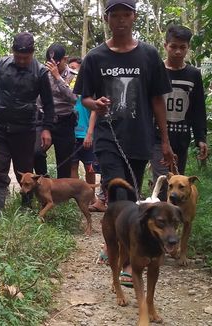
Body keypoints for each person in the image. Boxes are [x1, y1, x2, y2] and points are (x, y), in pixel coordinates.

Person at [74, 0, 174, 284]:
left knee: (130, 197)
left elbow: (157, 99)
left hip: (140, 136)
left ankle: (116, 246)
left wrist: (164, 140)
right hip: (108, 136)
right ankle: (127, 261)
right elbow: (85, 98)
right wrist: (97, 103)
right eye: (114, 15)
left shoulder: (149, 55)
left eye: (125, 14)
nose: (120, 20)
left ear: (134, 17)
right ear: (107, 18)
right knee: (119, 194)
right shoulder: (95, 57)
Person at [0, 32, 54, 215]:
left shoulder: (41, 72)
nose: (21, 61)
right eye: (18, 57)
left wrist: (46, 129)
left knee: (24, 168)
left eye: (26, 57)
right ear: (12, 52)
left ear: (33, 53)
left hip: (25, 128)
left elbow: (49, 103)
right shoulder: (1, 65)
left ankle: (26, 207)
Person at [150, 25, 208, 191]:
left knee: (176, 181)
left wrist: (200, 137)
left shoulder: (193, 74)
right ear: (165, 45)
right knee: (162, 180)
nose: (177, 52)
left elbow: (198, 108)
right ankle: (158, 213)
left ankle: (172, 215)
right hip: (157, 136)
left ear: (188, 48)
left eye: (182, 47)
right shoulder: (155, 71)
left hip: (181, 136)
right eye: (173, 46)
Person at [68, 57, 107, 212]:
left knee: (90, 167)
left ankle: (91, 197)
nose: (73, 71)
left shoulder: (89, 90)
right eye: (71, 68)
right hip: (71, 133)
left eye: (76, 69)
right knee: (73, 165)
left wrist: (90, 133)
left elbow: (94, 111)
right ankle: (74, 196)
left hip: (86, 134)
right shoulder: (66, 88)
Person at [41, 44, 78, 178]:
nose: (53, 66)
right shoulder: (43, 74)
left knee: (64, 163)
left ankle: (62, 196)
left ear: (65, 59)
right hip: (46, 121)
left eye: (56, 63)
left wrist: (58, 77)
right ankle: (43, 185)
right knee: (37, 152)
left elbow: (74, 98)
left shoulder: (74, 76)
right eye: (50, 63)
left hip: (65, 122)